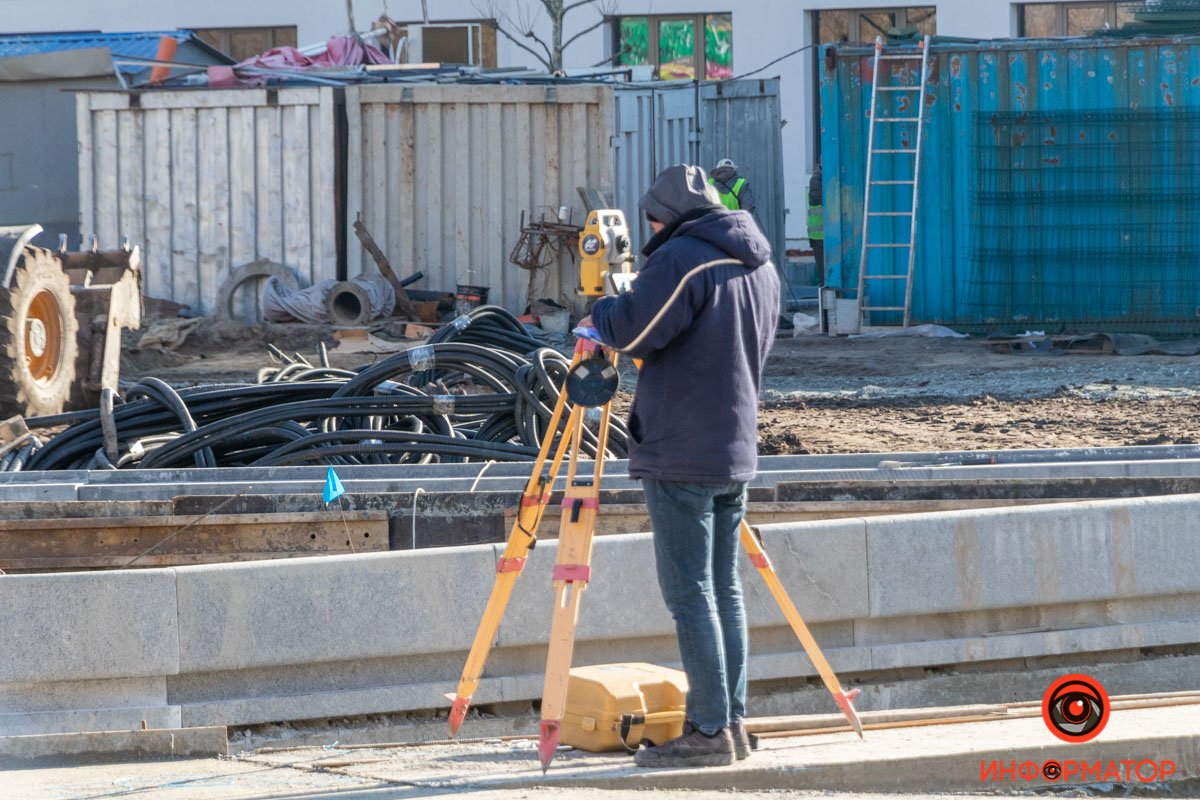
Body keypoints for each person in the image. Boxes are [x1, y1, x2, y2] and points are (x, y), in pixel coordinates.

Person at [584, 164, 780, 768]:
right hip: (732, 447)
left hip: (682, 449)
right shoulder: (760, 264)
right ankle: (733, 721)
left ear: (663, 217)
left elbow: (634, 331)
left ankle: (709, 730)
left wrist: (601, 304)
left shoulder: (685, 259)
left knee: (690, 593)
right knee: (723, 590)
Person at [808, 161, 825, 285]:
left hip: (825, 233)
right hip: (819, 234)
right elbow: (815, 199)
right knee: (824, 273)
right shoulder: (817, 178)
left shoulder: (820, 177)